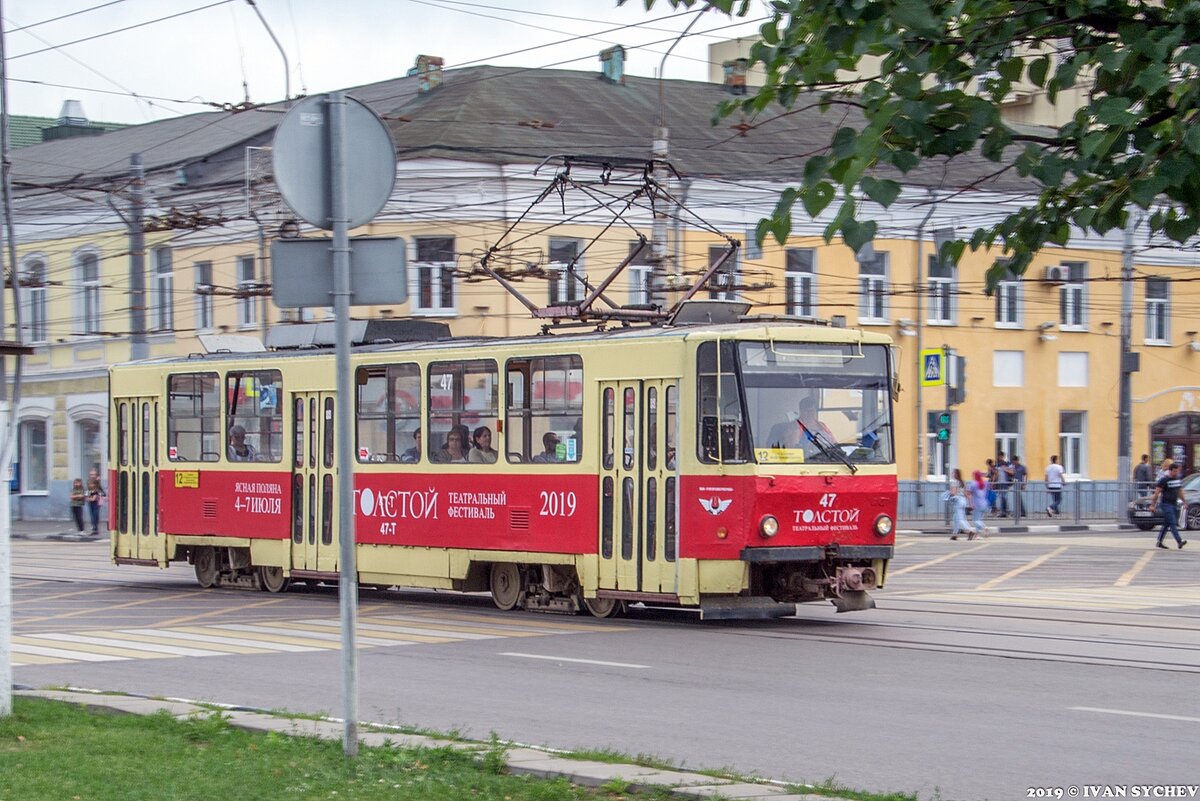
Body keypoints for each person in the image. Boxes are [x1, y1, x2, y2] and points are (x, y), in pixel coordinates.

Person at [1150, 462, 1188, 550]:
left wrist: (1184, 502)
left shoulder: (1177, 480)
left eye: (1177, 471)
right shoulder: (1164, 480)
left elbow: (1180, 492)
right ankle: (1179, 541)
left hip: (1174, 504)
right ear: (1170, 471)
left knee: (1167, 524)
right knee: (1172, 522)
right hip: (1166, 504)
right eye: (1174, 471)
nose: (1176, 473)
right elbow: (1156, 493)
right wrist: (1152, 505)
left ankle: (1159, 542)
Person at [947, 468, 971, 540]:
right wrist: (970, 503)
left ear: (956, 474)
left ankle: (970, 532)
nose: (952, 474)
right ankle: (955, 534)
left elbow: (953, 493)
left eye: (953, 473)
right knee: (956, 518)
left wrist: (948, 494)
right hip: (963, 501)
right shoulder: (963, 482)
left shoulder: (954, 482)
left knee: (960, 519)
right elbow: (966, 493)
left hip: (958, 501)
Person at [967, 469, 990, 539]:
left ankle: (984, 528)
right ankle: (976, 535)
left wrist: (971, 504)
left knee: (975, 520)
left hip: (977, 504)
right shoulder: (985, 483)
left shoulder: (973, 484)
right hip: (985, 503)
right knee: (979, 519)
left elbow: (969, 493)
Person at [86, 468, 106, 536]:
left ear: (96, 475)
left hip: (97, 501)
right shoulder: (88, 481)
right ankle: (94, 528)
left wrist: (97, 496)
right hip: (91, 501)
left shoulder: (98, 482)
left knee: (95, 514)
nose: (92, 476)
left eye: (93, 474)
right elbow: (88, 491)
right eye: (91, 474)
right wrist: (88, 497)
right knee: (92, 515)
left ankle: (95, 528)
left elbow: (102, 492)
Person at [992, 453, 1011, 517]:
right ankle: (1003, 511)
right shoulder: (997, 464)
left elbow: (1012, 472)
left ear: (1003, 456)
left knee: (1004, 497)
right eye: (999, 456)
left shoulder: (1007, 463)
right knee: (1001, 497)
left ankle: (1005, 511)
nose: (999, 458)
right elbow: (995, 474)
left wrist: (1005, 469)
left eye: (1001, 456)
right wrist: (993, 482)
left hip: (1005, 483)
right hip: (999, 483)